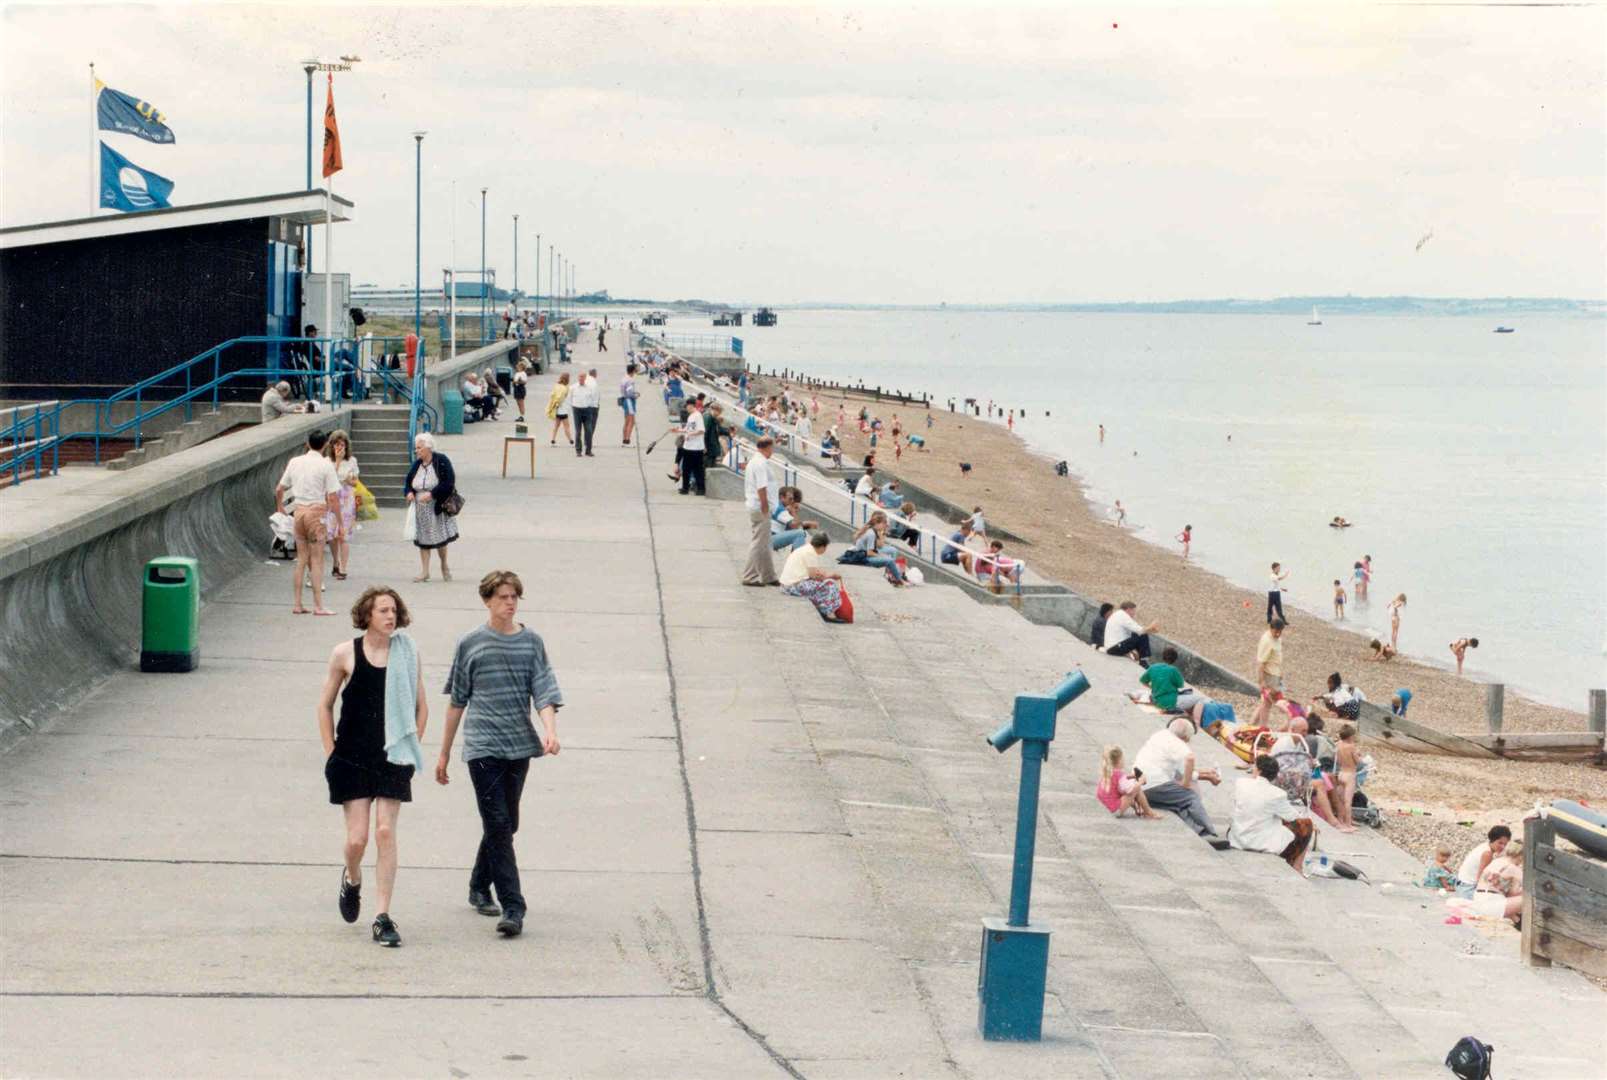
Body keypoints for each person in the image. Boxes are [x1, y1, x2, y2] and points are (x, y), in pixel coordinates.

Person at [438, 571, 564, 938]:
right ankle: (513, 906)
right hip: (482, 747)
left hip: (518, 745)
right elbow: (457, 701)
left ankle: (479, 884)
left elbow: (543, 692)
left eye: (514, 597)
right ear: (487, 601)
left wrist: (550, 732)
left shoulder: (531, 643)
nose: (510, 603)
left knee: (507, 823)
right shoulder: (470, 643)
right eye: (503, 597)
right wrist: (444, 753)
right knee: (497, 823)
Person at [318, 586, 427, 947]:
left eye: (394, 610)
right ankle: (352, 879)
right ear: (367, 615)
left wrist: (412, 747)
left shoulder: (407, 653)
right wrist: (330, 750)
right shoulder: (344, 653)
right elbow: (325, 705)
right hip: (351, 754)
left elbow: (420, 708)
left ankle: (382, 916)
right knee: (357, 839)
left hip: (393, 754)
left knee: (384, 832)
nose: (390, 616)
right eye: (382, 610)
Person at [276, 429, 342, 616]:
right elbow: (333, 496)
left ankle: (297, 604)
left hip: (299, 512)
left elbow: (279, 488)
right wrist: (340, 522)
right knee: (317, 559)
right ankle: (318, 606)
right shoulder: (325, 465)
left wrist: (280, 507)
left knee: (301, 559)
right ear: (325, 445)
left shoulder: (295, 462)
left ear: (307, 443)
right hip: (316, 512)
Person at [1132, 719, 1220, 837]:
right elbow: (1190, 759)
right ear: (1185, 736)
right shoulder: (1179, 745)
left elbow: (1182, 770)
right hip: (1156, 784)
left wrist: (1206, 774)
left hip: (1139, 786)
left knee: (1176, 802)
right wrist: (1185, 783)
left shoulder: (1159, 735)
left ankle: (1198, 830)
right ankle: (1210, 831)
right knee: (1190, 796)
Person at [1228, 755, 1314, 873]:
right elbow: (1293, 817)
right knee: (1307, 824)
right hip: (1258, 842)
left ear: (1258, 770)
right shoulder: (1278, 794)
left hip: (1237, 838)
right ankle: (1297, 866)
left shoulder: (1241, 783)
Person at [403, 433, 457, 583]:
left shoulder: (441, 460)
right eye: (416, 448)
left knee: (440, 538)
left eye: (419, 448)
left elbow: (449, 482)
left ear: (428, 448)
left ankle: (444, 565)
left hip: (436, 506)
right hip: (420, 508)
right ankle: (425, 571)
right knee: (423, 539)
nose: (417, 451)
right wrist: (408, 492)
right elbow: (408, 482)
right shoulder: (417, 464)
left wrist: (432, 494)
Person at [780, 531, 848, 622]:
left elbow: (813, 572)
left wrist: (825, 575)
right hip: (793, 586)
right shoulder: (810, 552)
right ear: (823, 546)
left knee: (821, 585)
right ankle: (828, 613)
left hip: (787, 584)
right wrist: (831, 575)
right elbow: (814, 576)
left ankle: (823, 608)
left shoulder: (806, 549)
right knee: (829, 585)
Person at [742, 436, 780, 586]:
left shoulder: (756, 461)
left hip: (757, 505)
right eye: (772, 448)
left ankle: (769, 575)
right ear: (767, 448)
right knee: (759, 541)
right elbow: (761, 486)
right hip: (760, 506)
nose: (772, 451)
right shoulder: (760, 463)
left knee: (764, 541)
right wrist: (765, 505)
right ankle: (749, 576)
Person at [323, 430, 360, 581]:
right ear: (331, 446)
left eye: (342, 445)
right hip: (332, 499)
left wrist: (348, 480)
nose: (340, 448)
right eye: (337, 445)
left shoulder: (352, 460)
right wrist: (337, 461)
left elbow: (355, 481)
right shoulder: (327, 461)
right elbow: (329, 478)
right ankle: (335, 561)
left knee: (343, 535)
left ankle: (343, 567)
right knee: (332, 535)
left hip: (346, 499)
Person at [1097, 745, 1160, 818]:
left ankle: (1139, 809)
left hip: (1105, 808)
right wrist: (1141, 782)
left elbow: (1118, 783)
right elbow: (1131, 790)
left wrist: (1132, 776)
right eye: (1123, 759)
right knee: (1136, 789)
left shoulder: (1107, 771)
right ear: (1119, 761)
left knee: (1127, 789)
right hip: (1115, 810)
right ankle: (1149, 812)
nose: (1124, 761)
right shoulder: (1119, 775)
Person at [848, 511, 907, 585]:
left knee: (893, 550)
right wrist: (884, 533)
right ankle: (894, 576)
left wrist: (883, 532)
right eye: (884, 522)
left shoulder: (872, 528)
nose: (886, 524)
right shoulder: (872, 531)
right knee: (890, 557)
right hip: (864, 555)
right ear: (878, 522)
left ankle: (891, 573)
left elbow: (879, 545)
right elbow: (879, 546)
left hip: (868, 550)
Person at [1455, 825, 1512, 899]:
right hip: (1468, 889)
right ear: (1493, 840)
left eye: (1505, 844)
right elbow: (1481, 879)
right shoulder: (1487, 854)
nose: (1503, 847)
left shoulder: (1485, 846)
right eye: (1500, 843)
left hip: (1461, 883)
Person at [1251, 619, 1287, 727]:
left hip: (1275, 674)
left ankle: (1252, 724)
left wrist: (1281, 672)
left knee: (1265, 703)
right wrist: (1261, 680)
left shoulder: (1278, 638)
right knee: (1268, 704)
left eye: (1280, 632)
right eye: (1276, 631)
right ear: (1271, 628)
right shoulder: (1267, 641)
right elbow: (1261, 662)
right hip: (1269, 675)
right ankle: (1263, 728)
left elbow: (1277, 656)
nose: (1278, 634)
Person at [675, 397, 707, 496]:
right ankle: (685, 488)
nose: (686, 408)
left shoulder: (698, 416)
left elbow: (701, 430)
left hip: (696, 447)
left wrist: (690, 434)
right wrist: (679, 430)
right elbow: (688, 429)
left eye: (687, 406)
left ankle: (701, 489)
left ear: (691, 405)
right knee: (686, 469)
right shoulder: (690, 416)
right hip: (688, 446)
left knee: (698, 469)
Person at [770, 486, 816, 553]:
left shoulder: (777, 506)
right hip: (770, 540)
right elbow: (795, 526)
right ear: (781, 497)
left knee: (800, 533)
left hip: (769, 538)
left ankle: (796, 559)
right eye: (790, 499)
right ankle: (796, 560)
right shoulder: (780, 509)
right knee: (800, 533)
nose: (791, 501)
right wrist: (793, 511)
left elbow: (793, 529)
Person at [1333, 723, 1360, 829]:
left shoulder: (1338, 744)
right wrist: (1358, 754)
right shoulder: (1351, 747)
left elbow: (1338, 760)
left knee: (1341, 799)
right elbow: (1357, 762)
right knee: (1348, 801)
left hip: (1341, 773)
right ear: (1350, 736)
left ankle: (1340, 820)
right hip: (1349, 774)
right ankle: (1348, 824)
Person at [570, 368, 601, 457]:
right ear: (578, 378)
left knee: (588, 430)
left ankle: (588, 450)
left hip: (587, 409)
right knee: (578, 431)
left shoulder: (589, 387)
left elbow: (593, 398)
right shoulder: (573, 387)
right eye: (580, 377)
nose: (581, 379)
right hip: (577, 410)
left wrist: (592, 409)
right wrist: (572, 407)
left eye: (583, 377)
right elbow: (570, 398)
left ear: (585, 378)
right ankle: (578, 450)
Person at [546, 372, 573, 446]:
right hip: (563, 410)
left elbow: (552, 396)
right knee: (566, 427)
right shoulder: (566, 388)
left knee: (556, 426)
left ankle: (553, 440)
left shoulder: (556, 386)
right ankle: (571, 441)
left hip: (557, 410)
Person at [619, 362, 640, 445]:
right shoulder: (630, 380)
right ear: (633, 371)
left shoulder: (624, 378)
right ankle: (627, 439)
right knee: (631, 421)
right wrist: (636, 395)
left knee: (626, 421)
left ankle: (624, 439)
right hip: (629, 401)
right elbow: (630, 393)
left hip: (624, 400)